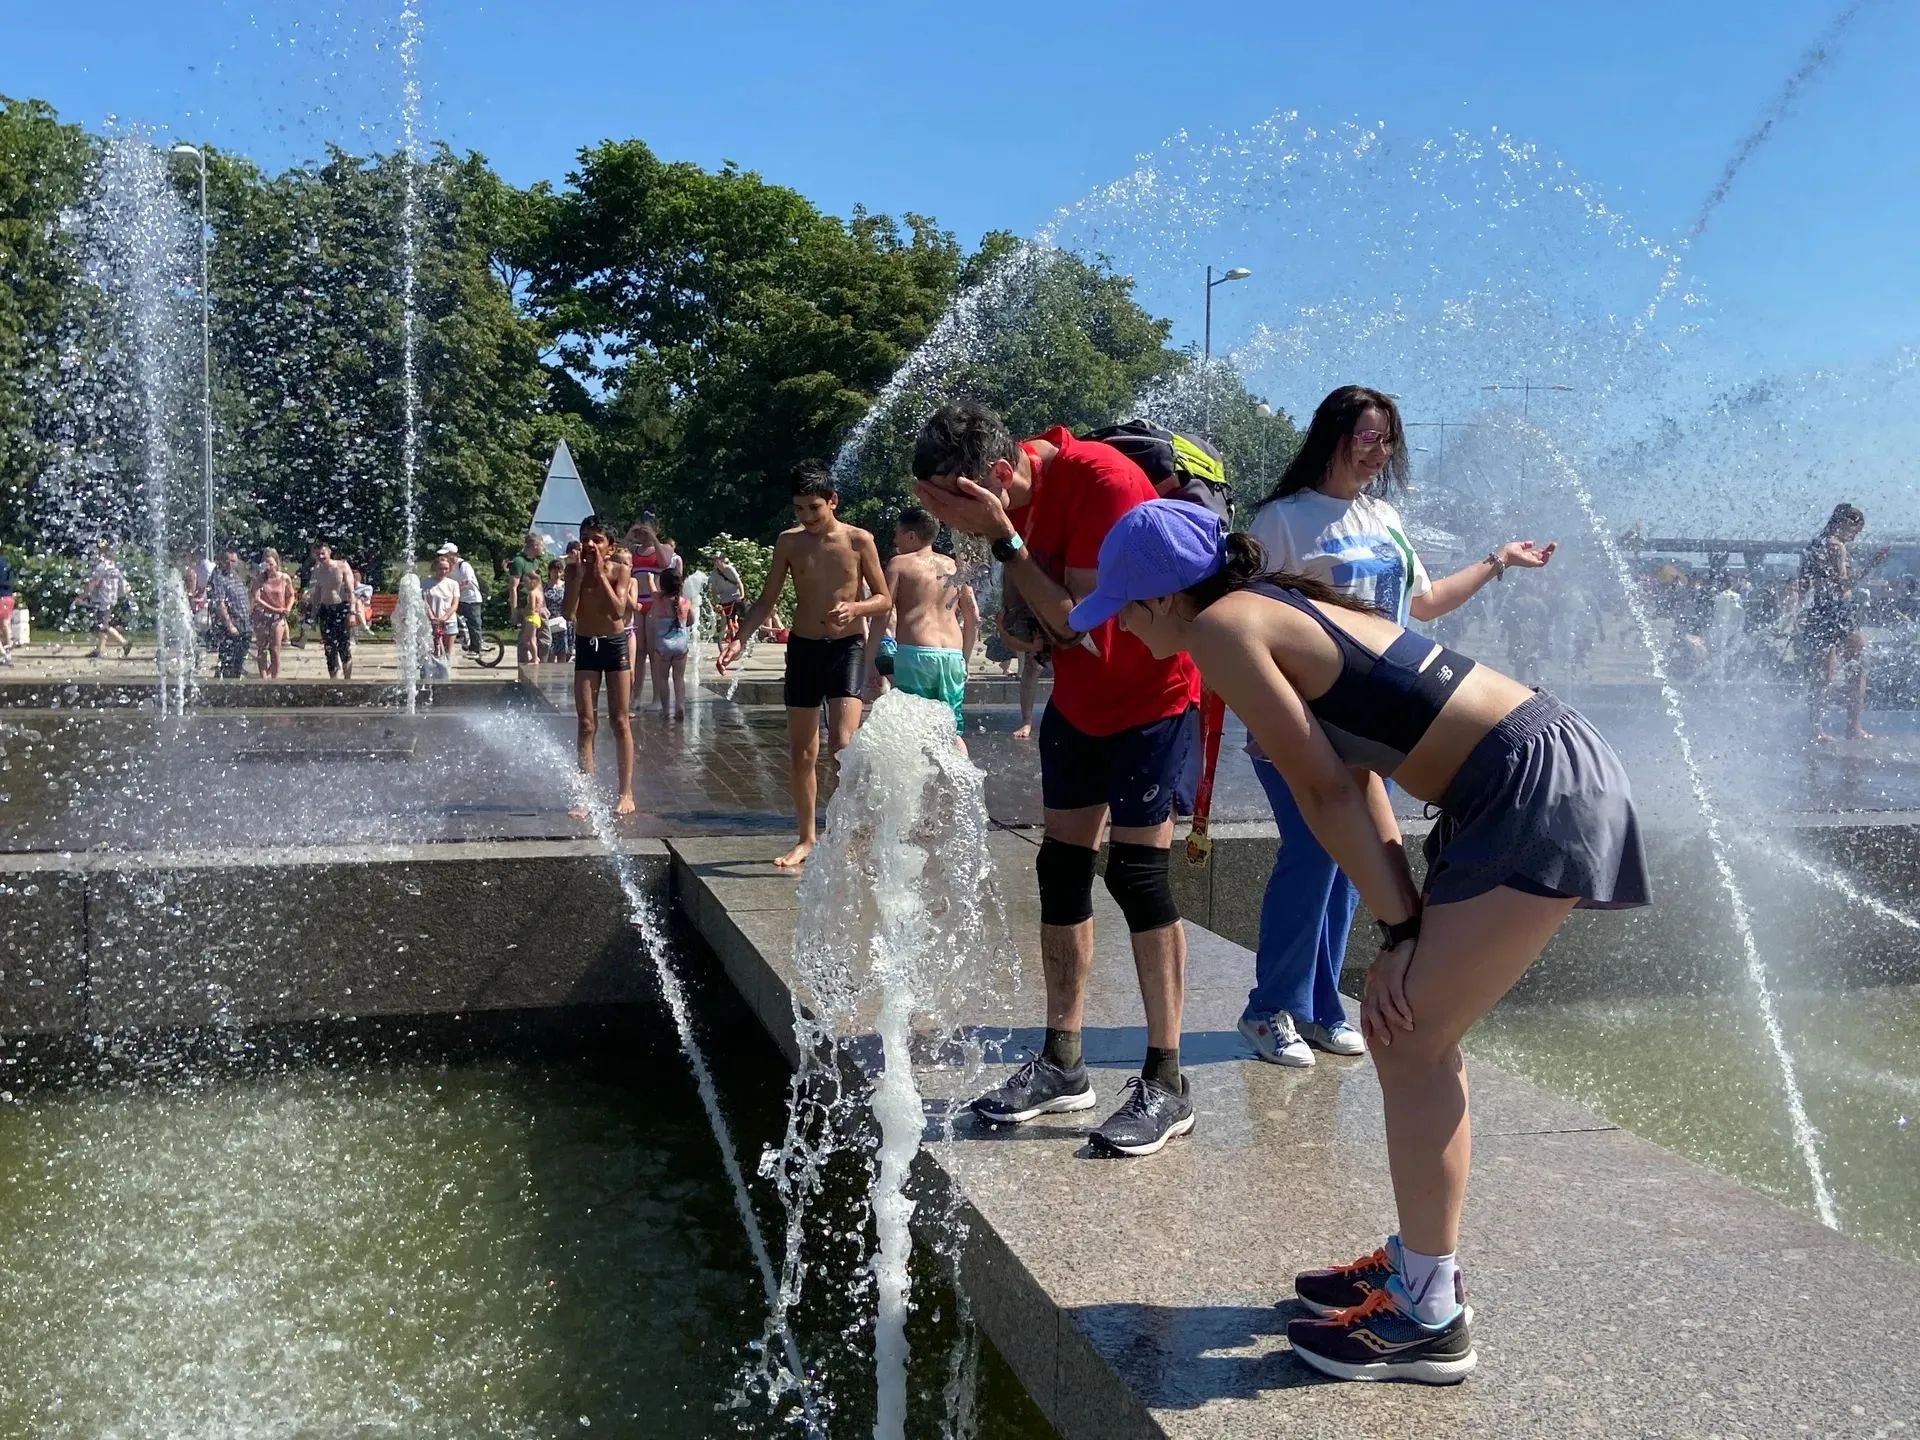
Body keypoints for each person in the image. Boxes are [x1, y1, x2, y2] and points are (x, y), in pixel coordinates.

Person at [1071, 498, 1649, 1382]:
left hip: (1531, 785)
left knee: (1410, 1034)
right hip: (1525, 766)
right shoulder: (1265, 603)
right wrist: (1404, 923)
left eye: (1118, 608)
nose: (1114, 627)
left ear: (1158, 600)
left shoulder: (1224, 628)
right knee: (1411, 1033)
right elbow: (1356, 774)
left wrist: (1402, 931)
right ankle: (1422, 1265)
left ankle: (1430, 1317)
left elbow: (1328, 796)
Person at [910, 400, 1204, 1158]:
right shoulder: (1015, 495)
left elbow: (1078, 622)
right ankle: (1063, 1064)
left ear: (997, 478)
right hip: (1080, 703)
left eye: (959, 512)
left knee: (1139, 877)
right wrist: (1016, 606)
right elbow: (1027, 624)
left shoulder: (1099, 480)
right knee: (1061, 870)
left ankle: (1168, 1081)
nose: (958, 529)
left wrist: (1007, 548)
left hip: (1150, 698)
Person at [1240, 385, 1555, 1068]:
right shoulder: (1282, 521)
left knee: (1355, 864)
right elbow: (1243, 628)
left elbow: (1424, 604)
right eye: (1368, 437)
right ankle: (1268, 1008)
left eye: (1388, 440)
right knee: (1313, 854)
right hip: (1297, 723)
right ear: (1333, 436)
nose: (1380, 453)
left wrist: (1497, 561)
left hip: (1372, 726)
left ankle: (1319, 1006)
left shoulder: (1382, 516)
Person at [717, 463, 890, 869]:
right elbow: (766, 601)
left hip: (845, 647)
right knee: (801, 752)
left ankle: (852, 833)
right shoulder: (789, 543)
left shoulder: (858, 540)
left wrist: (856, 607)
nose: (807, 517)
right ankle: (807, 838)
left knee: (842, 748)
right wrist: (740, 639)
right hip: (803, 649)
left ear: (833, 501)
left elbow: (884, 598)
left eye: (814, 508)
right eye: (799, 509)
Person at [870, 507, 979, 748]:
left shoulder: (899, 564)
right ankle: (965, 783)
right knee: (951, 732)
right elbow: (973, 618)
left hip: (916, 655)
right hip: (951, 658)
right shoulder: (954, 566)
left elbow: (882, 614)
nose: (895, 540)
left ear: (911, 536)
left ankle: (923, 786)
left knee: (914, 731)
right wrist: (965, 661)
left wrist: (868, 660)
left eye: (898, 534)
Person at [1793, 503, 1887, 742]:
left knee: (1823, 675)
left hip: (1818, 611)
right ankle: (1853, 728)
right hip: (1839, 610)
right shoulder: (1837, 547)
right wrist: (1872, 564)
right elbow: (1843, 586)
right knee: (1858, 668)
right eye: (1855, 530)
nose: (1855, 536)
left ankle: (1816, 730)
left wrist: (1797, 615)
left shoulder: (1813, 546)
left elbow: (1802, 585)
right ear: (1845, 524)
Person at [562, 516, 637, 816]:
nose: (590, 544)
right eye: (586, 538)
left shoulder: (621, 570)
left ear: (610, 546)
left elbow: (619, 610)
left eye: (597, 539)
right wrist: (580, 577)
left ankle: (626, 792)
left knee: (619, 721)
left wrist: (600, 575)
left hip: (614, 646)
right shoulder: (572, 571)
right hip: (586, 645)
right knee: (586, 723)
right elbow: (568, 613)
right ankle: (585, 796)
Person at [305, 542, 359, 679]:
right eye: (318, 554)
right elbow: (317, 594)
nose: (321, 556)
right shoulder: (317, 570)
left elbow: (350, 591)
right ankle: (333, 681)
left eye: (323, 553)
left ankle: (347, 680)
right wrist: (312, 615)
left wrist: (352, 613)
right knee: (329, 648)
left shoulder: (342, 566)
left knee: (343, 646)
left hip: (341, 607)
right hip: (325, 610)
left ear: (329, 552)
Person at [653, 567, 693, 719]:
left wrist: (652, 578)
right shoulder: (685, 602)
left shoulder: (658, 599)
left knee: (662, 678)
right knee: (679, 678)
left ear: (662, 585)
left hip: (663, 645)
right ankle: (680, 706)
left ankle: (665, 710)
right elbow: (691, 621)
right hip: (681, 645)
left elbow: (652, 587)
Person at [250, 548, 296, 679]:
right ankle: (263, 677)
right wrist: (274, 608)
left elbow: (291, 595)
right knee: (262, 648)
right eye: (266, 564)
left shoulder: (284, 578)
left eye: (271, 563)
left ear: (276, 562)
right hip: (262, 615)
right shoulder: (260, 579)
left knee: (275, 649)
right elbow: (257, 598)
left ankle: (275, 678)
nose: (268, 567)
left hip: (278, 617)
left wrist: (288, 607)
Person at [207, 547, 250, 679]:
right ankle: (225, 690)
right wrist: (229, 625)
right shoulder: (218, 577)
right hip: (230, 629)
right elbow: (220, 604)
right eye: (228, 561)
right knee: (228, 664)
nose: (230, 564)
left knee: (238, 664)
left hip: (243, 626)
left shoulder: (235, 575)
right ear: (220, 560)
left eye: (233, 561)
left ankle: (233, 690)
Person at [83, 543, 132, 660]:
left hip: (103, 599)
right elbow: (121, 583)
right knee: (103, 624)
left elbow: (94, 582)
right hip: (111, 598)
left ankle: (124, 643)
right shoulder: (113, 566)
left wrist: (83, 595)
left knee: (103, 625)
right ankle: (99, 649)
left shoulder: (101, 566)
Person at [438, 543, 485, 658]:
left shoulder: (463, 565)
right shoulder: (449, 567)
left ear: (452, 554)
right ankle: (462, 639)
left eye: (446, 555)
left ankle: (476, 649)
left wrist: (454, 591)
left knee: (473, 623)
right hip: (460, 599)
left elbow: (467, 582)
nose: (443, 557)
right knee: (453, 619)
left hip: (471, 599)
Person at [506, 533, 547, 665]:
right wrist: (514, 610)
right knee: (526, 639)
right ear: (535, 545)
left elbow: (538, 584)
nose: (543, 548)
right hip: (526, 606)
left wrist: (543, 605)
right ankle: (523, 666)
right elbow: (513, 587)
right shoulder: (518, 562)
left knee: (544, 638)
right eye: (541, 545)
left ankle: (540, 662)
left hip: (538, 605)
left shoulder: (534, 562)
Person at [423, 554, 461, 659]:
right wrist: (432, 617)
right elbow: (424, 602)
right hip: (431, 621)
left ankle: (445, 671)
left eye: (446, 569)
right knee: (433, 650)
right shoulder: (426, 583)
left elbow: (454, 604)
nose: (443, 571)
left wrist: (444, 618)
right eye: (441, 568)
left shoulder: (453, 584)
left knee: (447, 651)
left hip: (449, 621)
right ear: (435, 568)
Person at [708, 550, 746, 644]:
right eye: (714, 560)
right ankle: (726, 636)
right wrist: (716, 602)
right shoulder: (714, 574)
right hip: (725, 599)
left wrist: (742, 595)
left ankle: (744, 637)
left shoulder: (730, 569)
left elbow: (739, 583)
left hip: (736, 597)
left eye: (717, 560)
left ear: (722, 560)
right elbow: (713, 590)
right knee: (726, 619)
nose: (715, 562)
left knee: (742, 618)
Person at [542, 559, 571, 662]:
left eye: (559, 571)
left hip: (562, 623)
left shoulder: (565, 586)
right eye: (554, 571)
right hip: (548, 622)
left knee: (562, 653)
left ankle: (561, 676)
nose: (557, 574)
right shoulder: (544, 587)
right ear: (549, 571)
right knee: (549, 652)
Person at [0, 549, 15, 666]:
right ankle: (8, 651)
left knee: (4, 625)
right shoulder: (6, 563)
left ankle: (3, 654)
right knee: (6, 624)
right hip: (8, 597)